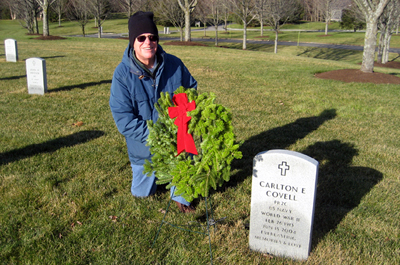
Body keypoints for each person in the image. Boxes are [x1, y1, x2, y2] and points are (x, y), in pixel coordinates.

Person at [109, 11, 197, 213]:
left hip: (178, 145)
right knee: (142, 195)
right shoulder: (122, 75)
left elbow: (191, 90)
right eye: (141, 38)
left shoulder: (174, 64)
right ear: (133, 41)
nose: (147, 42)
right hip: (144, 151)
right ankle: (155, 176)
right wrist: (159, 135)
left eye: (152, 37)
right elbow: (124, 122)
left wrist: (183, 120)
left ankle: (179, 192)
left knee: (186, 195)